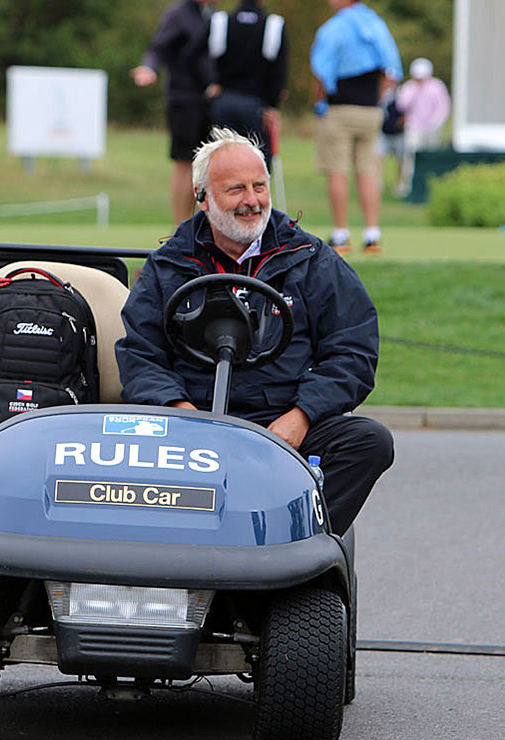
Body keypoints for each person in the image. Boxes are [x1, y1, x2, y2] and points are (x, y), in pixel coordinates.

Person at [115, 127, 394, 536]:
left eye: (259, 186)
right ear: (202, 197)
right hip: (189, 422)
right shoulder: (168, 264)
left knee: (369, 441)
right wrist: (180, 413)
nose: (251, 200)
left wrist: (301, 417)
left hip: (283, 419)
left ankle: (295, 545)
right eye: (236, 189)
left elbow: (354, 351)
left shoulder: (310, 258)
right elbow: (139, 356)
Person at [310, 0, 403, 254]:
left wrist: (318, 103)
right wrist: (380, 100)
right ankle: (372, 234)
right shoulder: (376, 24)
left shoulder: (333, 29)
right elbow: (392, 70)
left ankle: (341, 234)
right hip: (371, 111)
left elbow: (321, 71)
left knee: (337, 171)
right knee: (368, 171)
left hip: (339, 109)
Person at [131, 0, 216, 226]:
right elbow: (158, 48)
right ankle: (180, 228)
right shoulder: (178, 14)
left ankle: (200, 227)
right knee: (185, 161)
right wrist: (149, 67)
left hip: (209, 102)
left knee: (207, 164)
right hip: (184, 100)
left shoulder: (212, 14)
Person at [196, 0, 289, 169]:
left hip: (223, 103)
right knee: (258, 166)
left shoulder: (220, 21)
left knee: (222, 164)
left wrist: (211, 82)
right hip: (257, 106)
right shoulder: (274, 25)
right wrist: (273, 105)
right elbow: (279, 71)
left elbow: (193, 56)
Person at [395, 57, 451, 197]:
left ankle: (431, 185)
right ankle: (407, 187)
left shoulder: (437, 87)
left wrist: (435, 122)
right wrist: (414, 92)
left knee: (431, 156)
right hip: (414, 127)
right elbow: (401, 106)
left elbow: (443, 107)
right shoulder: (409, 87)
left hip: (432, 128)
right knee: (410, 157)